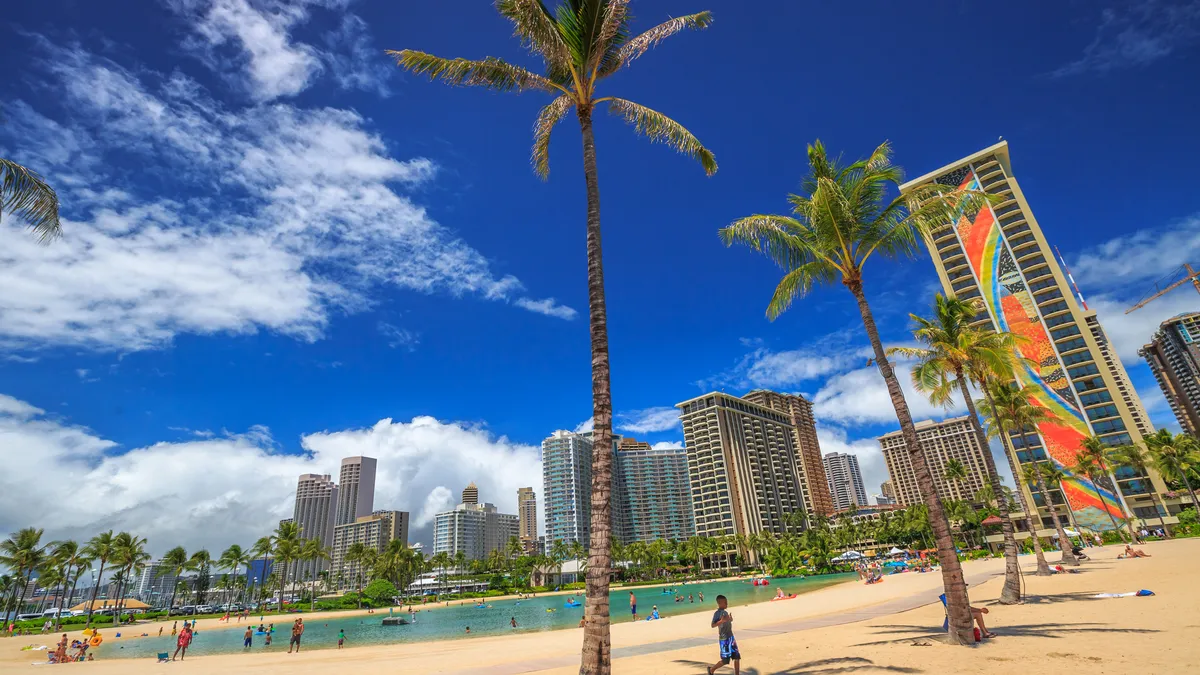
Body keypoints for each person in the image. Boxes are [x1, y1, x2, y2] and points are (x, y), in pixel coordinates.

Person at [708, 595, 740, 675]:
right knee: (725, 660)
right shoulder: (717, 613)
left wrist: (730, 619)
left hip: (731, 638)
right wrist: (721, 621)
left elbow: (726, 621)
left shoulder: (725, 612)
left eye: (727, 601)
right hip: (724, 639)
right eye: (725, 602)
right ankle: (711, 670)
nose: (727, 603)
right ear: (719, 603)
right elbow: (713, 625)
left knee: (736, 657)